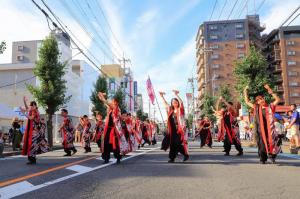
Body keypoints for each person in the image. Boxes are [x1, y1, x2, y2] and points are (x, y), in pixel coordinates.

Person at [244, 84, 281, 164]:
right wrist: (245, 91)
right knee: (262, 145)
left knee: (271, 143)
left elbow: (278, 99)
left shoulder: (270, 107)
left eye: (262, 98)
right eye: (259, 100)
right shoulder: (256, 107)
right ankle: (263, 159)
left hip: (270, 130)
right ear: (257, 102)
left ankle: (272, 157)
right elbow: (246, 101)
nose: (261, 100)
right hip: (260, 130)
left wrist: (270, 90)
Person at [98, 92, 129, 164]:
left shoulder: (117, 109)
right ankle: (106, 158)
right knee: (105, 144)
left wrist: (103, 98)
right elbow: (107, 105)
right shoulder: (111, 109)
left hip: (114, 130)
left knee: (115, 145)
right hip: (108, 129)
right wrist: (102, 98)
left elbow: (108, 104)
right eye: (112, 102)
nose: (112, 103)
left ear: (116, 103)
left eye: (113, 102)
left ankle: (118, 157)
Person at [159, 90, 189, 163]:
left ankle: (185, 154)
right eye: (173, 102)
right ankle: (172, 158)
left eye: (176, 102)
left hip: (179, 129)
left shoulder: (180, 109)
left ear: (177, 103)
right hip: (172, 130)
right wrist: (162, 96)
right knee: (172, 144)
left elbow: (181, 102)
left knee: (177, 143)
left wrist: (177, 95)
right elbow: (165, 104)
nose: (174, 103)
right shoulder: (171, 110)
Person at [21, 97, 49, 164]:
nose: (30, 107)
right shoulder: (33, 110)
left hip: (35, 131)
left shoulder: (35, 111)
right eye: (30, 106)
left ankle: (32, 159)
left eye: (31, 106)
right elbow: (27, 108)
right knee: (31, 144)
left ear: (34, 106)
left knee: (32, 144)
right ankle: (32, 159)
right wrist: (24, 101)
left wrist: (24, 114)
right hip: (33, 130)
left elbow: (31, 118)